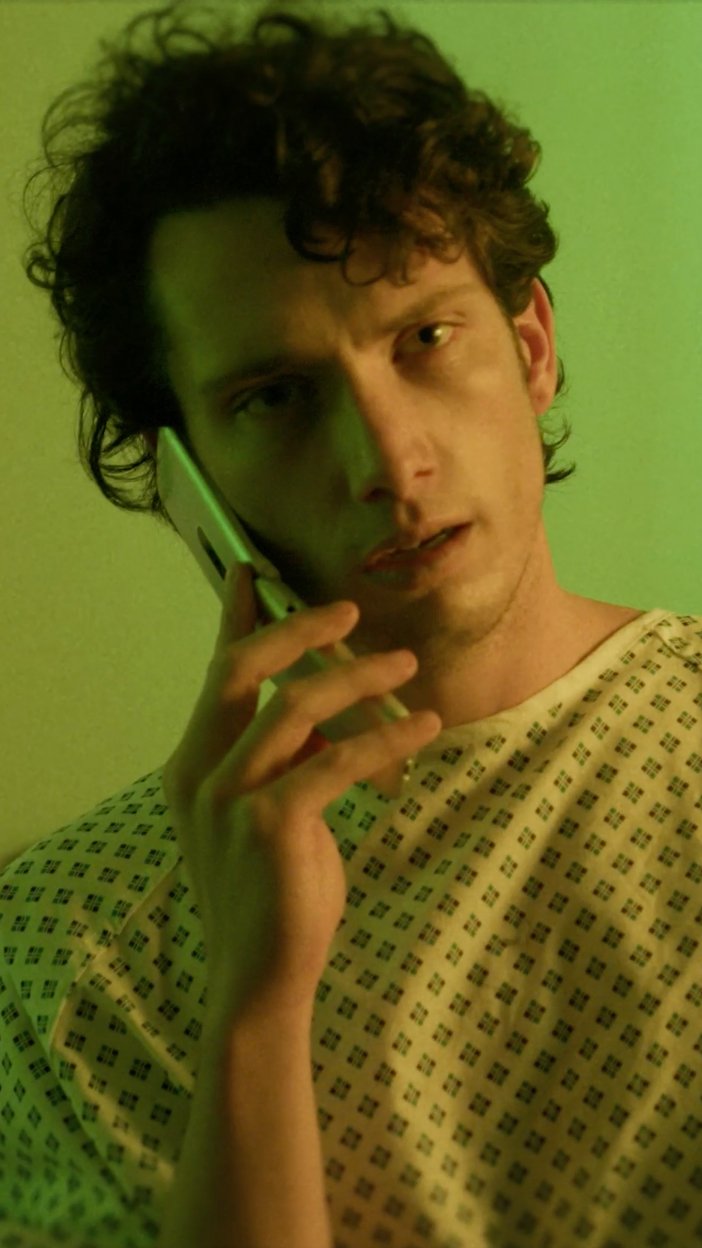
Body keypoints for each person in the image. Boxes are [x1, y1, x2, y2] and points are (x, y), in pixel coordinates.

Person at [3, 1, 701, 1245]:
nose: (388, 457)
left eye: (426, 336)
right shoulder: (62, 946)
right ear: (186, 483)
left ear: (531, 346)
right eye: (276, 397)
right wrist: (255, 1012)